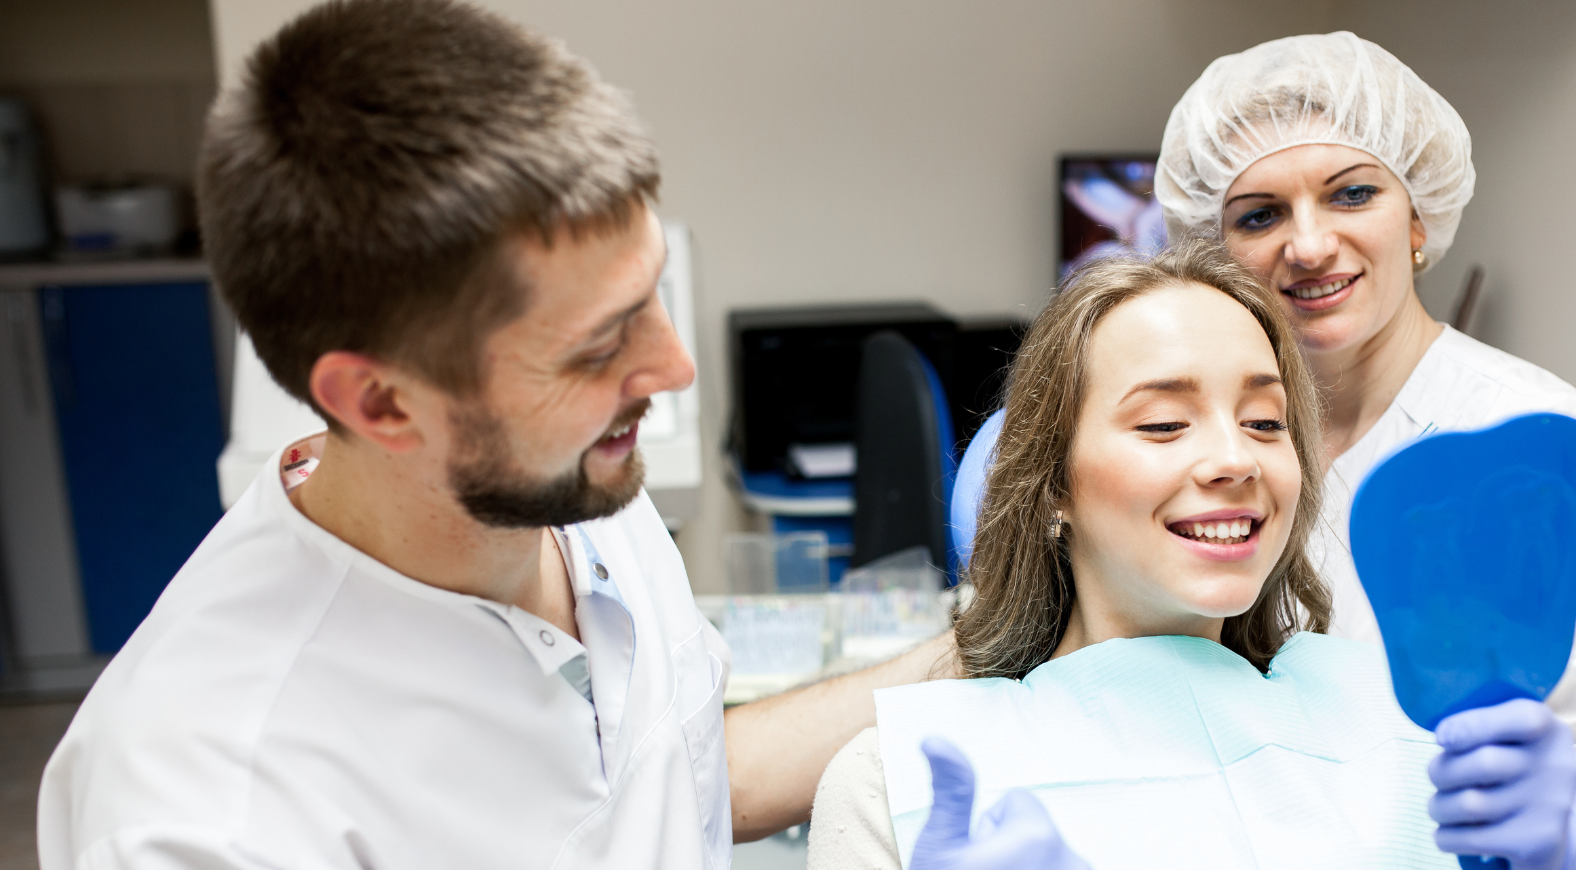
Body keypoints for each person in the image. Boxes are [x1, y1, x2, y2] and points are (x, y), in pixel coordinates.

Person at [35, 2, 1070, 867]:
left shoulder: (570, 494)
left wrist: (1006, 638)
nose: (672, 369)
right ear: (381, 404)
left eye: (653, 294)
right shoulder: (213, 806)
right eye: (598, 346)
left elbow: (685, 775)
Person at [810, 242, 1576, 870]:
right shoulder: (900, 781)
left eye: (1264, 422)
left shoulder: (1409, 723)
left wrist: (1564, 858)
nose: (1236, 459)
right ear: (1051, 486)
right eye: (1163, 424)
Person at [1153, 32, 1576, 870]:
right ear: (1216, 253)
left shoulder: (1520, 431)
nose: (1308, 246)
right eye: (1259, 214)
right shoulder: (1218, 445)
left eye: (1351, 194)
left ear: (1417, 218)